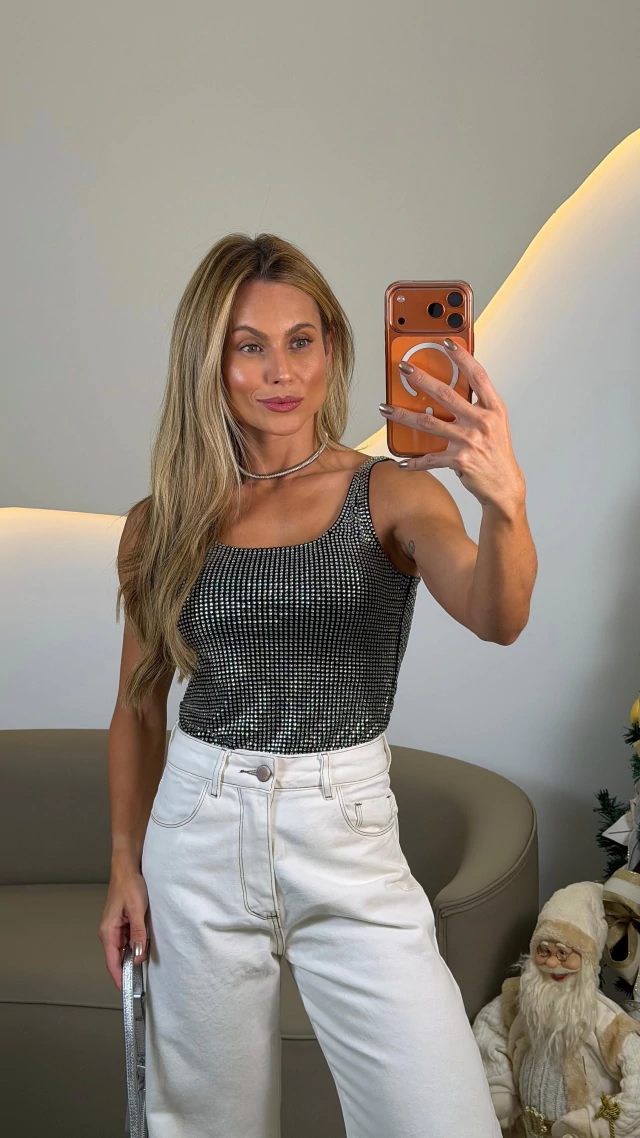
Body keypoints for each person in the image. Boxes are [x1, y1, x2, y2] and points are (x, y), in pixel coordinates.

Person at [99, 231, 537, 1138]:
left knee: (439, 1119)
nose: (281, 371)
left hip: (345, 830)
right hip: (196, 832)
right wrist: (122, 866)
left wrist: (505, 503)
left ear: (332, 347)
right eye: (249, 346)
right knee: (204, 1125)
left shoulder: (393, 493)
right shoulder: (161, 521)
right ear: (209, 362)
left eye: (301, 340)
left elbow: (497, 616)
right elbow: (139, 706)